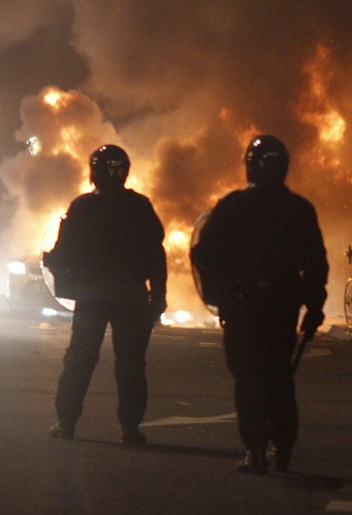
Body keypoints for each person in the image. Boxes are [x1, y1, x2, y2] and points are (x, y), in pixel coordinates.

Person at [190, 135, 328, 475]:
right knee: (280, 376)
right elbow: (315, 265)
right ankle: (283, 447)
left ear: (249, 165)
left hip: (241, 306)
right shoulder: (299, 209)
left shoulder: (232, 206)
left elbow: (204, 255)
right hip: (283, 307)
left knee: (248, 379)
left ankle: (255, 450)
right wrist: (314, 306)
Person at [43, 144, 167, 446]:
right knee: (131, 365)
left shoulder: (83, 207)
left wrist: (51, 260)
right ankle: (130, 428)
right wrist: (158, 297)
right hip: (131, 297)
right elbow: (156, 254)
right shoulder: (140, 206)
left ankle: (67, 422)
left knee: (80, 361)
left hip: (93, 297)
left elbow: (65, 253)